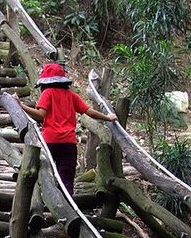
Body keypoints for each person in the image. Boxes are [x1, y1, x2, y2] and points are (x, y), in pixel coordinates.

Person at [16, 63, 118, 193]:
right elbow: (90, 112)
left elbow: (40, 115)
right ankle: (67, 208)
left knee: (45, 174)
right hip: (68, 144)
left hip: (50, 142)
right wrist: (108, 117)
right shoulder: (71, 96)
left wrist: (21, 105)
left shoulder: (47, 93)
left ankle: (47, 202)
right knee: (66, 179)